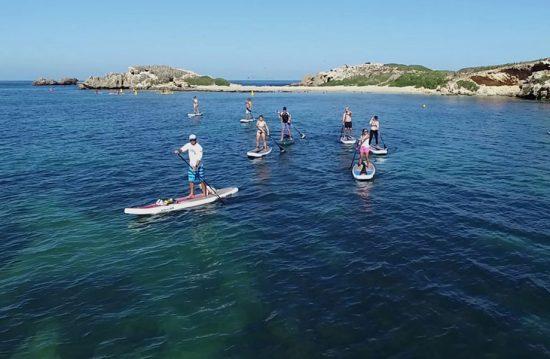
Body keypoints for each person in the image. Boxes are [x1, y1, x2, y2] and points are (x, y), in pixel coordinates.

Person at [174, 134, 208, 198]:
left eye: (194, 140)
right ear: (189, 140)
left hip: (199, 166)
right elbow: (182, 149)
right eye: (191, 140)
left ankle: (204, 193)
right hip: (191, 166)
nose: (192, 141)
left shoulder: (199, 147)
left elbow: (199, 159)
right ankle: (192, 194)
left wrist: (196, 166)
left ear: (196, 140)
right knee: (191, 180)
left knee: (201, 180)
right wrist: (178, 151)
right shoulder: (188, 145)